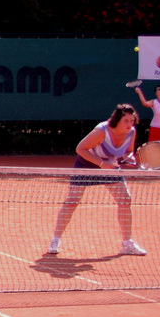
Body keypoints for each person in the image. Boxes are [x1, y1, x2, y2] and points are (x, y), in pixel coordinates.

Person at [48, 103, 145, 257]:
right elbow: (80, 149)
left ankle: (127, 243)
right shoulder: (101, 131)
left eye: (132, 121)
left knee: (125, 200)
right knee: (72, 201)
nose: (129, 124)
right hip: (86, 165)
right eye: (126, 120)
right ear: (117, 120)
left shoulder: (131, 132)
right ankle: (55, 239)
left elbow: (128, 152)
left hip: (110, 167)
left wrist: (128, 159)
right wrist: (100, 163)